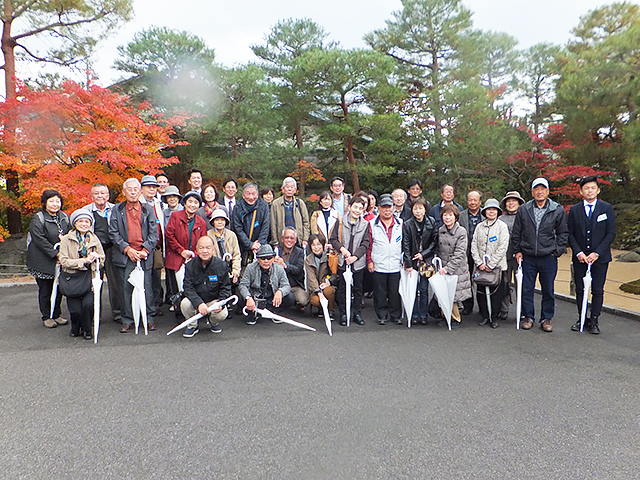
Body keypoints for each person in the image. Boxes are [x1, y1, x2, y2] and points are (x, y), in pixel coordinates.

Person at [512, 177, 569, 332]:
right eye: (536, 189)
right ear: (532, 192)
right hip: (528, 255)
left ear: (548, 191)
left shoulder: (556, 209)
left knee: (548, 289)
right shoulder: (524, 209)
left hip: (548, 256)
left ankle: (546, 318)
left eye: (543, 189)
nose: (539, 192)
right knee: (526, 288)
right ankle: (528, 316)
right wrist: (517, 250)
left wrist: (556, 251)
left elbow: (563, 232)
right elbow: (517, 232)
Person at [109, 178, 159, 333]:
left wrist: (145, 250)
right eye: (129, 189)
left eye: (135, 189)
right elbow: (113, 233)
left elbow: (154, 234)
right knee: (125, 288)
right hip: (125, 255)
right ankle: (127, 319)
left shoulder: (148, 209)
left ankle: (149, 318)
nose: (132, 192)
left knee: (147, 287)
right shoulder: (117, 210)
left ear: (140, 191)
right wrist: (127, 250)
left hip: (144, 255)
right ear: (124, 192)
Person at [567, 176, 616, 334]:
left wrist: (596, 253)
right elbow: (570, 233)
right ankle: (581, 318)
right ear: (581, 191)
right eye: (586, 188)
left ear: (598, 190)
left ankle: (594, 319)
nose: (589, 191)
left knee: (597, 289)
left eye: (592, 188)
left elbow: (611, 233)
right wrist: (579, 253)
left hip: (600, 257)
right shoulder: (575, 210)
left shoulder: (606, 208)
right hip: (580, 257)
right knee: (580, 289)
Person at [27, 190, 71, 328]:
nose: (55, 204)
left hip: (61, 259)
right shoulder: (38, 219)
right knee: (46, 289)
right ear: (44, 203)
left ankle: (56, 314)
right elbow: (39, 240)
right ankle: (47, 316)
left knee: (58, 288)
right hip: (42, 260)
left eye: (57, 201)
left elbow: (70, 234)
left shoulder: (64, 217)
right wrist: (55, 253)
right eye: (51, 201)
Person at [58, 209, 105, 339]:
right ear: (75, 223)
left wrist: (96, 258)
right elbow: (64, 261)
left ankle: (87, 329)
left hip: (89, 277)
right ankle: (75, 327)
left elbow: (102, 259)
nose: (84, 224)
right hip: (71, 277)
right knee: (75, 310)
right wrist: (83, 261)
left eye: (86, 221)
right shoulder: (67, 239)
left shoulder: (95, 239)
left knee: (88, 305)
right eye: (80, 221)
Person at [165, 191, 208, 320]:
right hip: (177, 256)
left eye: (196, 202)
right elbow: (169, 235)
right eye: (190, 201)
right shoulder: (175, 216)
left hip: (194, 258)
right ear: (184, 203)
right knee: (177, 288)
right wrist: (181, 251)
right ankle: (180, 315)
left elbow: (203, 241)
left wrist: (194, 253)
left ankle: (194, 313)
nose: (192, 205)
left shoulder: (201, 222)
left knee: (192, 287)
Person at [330, 195, 371, 326]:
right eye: (355, 207)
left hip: (357, 263)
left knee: (358, 289)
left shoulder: (365, 224)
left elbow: (366, 243)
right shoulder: (340, 221)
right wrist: (342, 250)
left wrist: (355, 256)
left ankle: (357, 313)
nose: (357, 210)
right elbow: (334, 239)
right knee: (342, 288)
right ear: (349, 207)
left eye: (360, 208)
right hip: (343, 261)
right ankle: (343, 313)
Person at [83, 183, 121, 323]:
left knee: (115, 283)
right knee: (94, 283)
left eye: (103, 193)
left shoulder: (116, 209)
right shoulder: (85, 211)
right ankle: (94, 315)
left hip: (112, 249)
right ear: (92, 196)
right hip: (93, 251)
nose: (100, 196)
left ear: (108, 195)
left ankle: (118, 313)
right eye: (97, 193)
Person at [180, 236, 232, 338]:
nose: (205, 251)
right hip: (197, 301)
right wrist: (199, 303)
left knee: (223, 313)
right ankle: (192, 325)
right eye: (201, 248)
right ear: (197, 249)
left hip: (213, 301)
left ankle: (213, 322)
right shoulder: (190, 266)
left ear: (213, 249)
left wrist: (221, 303)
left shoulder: (221, 265)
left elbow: (226, 288)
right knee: (185, 304)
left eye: (208, 248)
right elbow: (188, 287)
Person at [471, 199, 509, 329]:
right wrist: (479, 262)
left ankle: (495, 317)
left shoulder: (502, 226)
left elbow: (502, 247)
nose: (491, 212)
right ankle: (485, 315)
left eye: (494, 209)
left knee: (496, 293)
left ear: (498, 211)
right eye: (489, 209)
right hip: (481, 266)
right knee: (481, 291)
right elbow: (474, 246)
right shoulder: (479, 226)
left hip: (497, 267)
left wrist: (491, 264)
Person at [367, 194, 404, 325]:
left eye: (389, 207)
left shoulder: (400, 223)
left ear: (393, 208)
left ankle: (396, 315)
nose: (387, 210)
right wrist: (370, 261)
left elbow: (405, 244)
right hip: (379, 263)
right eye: (384, 207)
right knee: (380, 292)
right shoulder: (372, 224)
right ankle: (381, 315)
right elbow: (369, 245)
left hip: (395, 263)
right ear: (379, 208)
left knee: (395, 292)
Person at [402, 197, 438, 325]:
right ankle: (414, 313)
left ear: (425, 209)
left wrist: (424, 254)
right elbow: (405, 244)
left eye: (420, 208)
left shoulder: (431, 222)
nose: (418, 211)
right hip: (412, 260)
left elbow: (434, 241)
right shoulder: (407, 224)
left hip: (426, 260)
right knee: (413, 288)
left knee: (423, 288)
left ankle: (423, 314)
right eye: (415, 208)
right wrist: (409, 263)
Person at [239, 244, 295, 324]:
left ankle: (275, 311)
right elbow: (243, 285)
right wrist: (248, 297)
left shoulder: (279, 268)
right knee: (242, 296)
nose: (266, 261)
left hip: (272, 299)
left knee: (290, 297)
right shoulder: (250, 268)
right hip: (256, 298)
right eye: (262, 258)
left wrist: (280, 291)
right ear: (258, 259)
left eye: (269, 258)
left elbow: (286, 285)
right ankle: (253, 313)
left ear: (273, 258)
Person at [435, 204, 472, 328]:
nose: (448, 218)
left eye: (450, 215)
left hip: (457, 268)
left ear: (456, 217)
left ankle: (456, 319)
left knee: (453, 295)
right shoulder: (440, 230)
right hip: (442, 267)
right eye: (445, 215)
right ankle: (445, 316)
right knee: (443, 293)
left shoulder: (461, 231)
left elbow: (460, 253)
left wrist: (448, 268)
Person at [140, 175, 166, 315]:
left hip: (156, 247)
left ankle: (156, 304)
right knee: (143, 279)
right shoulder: (138, 203)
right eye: (148, 186)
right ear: (142, 188)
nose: (151, 189)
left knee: (156, 277)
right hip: (141, 248)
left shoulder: (159, 203)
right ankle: (144, 305)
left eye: (154, 187)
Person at [498, 191, 525, 321]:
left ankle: (524, 311)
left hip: (521, 256)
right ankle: (503, 309)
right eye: (508, 201)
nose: (511, 203)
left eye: (514, 201)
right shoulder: (500, 219)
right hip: (504, 256)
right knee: (504, 284)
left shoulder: (525, 217)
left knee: (522, 284)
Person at [231, 182, 270, 266]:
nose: (251, 197)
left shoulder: (264, 206)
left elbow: (265, 227)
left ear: (257, 194)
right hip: (242, 246)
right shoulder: (237, 207)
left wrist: (258, 244)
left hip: (260, 246)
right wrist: (250, 244)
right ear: (243, 195)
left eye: (253, 193)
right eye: (248, 194)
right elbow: (238, 229)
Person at [459, 190, 483, 315]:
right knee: (466, 279)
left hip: (481, 253)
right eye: (470, 200)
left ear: (480, 201)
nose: (472, 202)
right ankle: (467, 305)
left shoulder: (485, 214)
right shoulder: (461, 215)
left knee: (482, 279)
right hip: (465, 252)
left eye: (475, 200)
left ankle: (482, 307)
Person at [273, 227, 309, 309]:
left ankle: (295, 302)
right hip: (279, 286)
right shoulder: (277, 251)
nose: (289, 240)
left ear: (296, 240)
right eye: (286, 237)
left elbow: (298, 270)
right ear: (282, 239)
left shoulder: (300, 252)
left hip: (294, 286)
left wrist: (284, 265)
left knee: (303, 300)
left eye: (292, 238)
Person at [270, 177, 310, 248]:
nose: (289, 189)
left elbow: (306, 223)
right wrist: (275, 241)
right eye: (287, 187)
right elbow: (273, 224)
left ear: (295, 190)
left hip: (298, 240)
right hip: (282, 241)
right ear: (283, 189)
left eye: (292, 187)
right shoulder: (276, 204)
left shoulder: (300, 203)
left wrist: (305, 239)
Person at [207, 209, 241, 286]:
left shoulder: (232, 235)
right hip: (213, 269)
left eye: (222, 220)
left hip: (228, 267)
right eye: (217, 220)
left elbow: (236, 254)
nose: (220, 222)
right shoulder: (207, 235)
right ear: (213, 222)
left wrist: (235, 271)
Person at [305, 234, 337, 317]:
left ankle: (331, 310)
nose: (316, 247)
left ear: (323, 245)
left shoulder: (329, 256)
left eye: (318, 244)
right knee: (315, 300)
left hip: (326, 284)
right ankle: (322, 309)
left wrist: (329, 282)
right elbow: (311, 278)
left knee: (329, 292)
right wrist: (318, 292)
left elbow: (336, 273)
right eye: (313, 245)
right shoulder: (308, 259)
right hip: (315, 288)